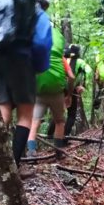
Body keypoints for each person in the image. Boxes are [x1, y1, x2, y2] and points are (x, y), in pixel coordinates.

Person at [0, 0, 52, 181]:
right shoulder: (39, 15)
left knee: (4, 107)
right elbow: (42, 44)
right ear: (43, 3)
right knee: (25, 114)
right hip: (23, 62)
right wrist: (40, 67)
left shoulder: (10, 8)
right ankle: (13, 167)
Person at [27, 28, 74, 157]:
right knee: (59, 121)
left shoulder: (36, 56)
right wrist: (69, 94)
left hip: (39, 93)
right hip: (56, 93)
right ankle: (58, 151)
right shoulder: (60, 58)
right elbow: (71, 77)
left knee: (35, 121)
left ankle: (31, 151)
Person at [46, 44, 87, 139]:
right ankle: (65, 136)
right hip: (71, 89)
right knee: (71, 114)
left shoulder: (61, 59)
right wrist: (82, 86)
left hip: (57, 88)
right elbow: (83, 74)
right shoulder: (80, 62)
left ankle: (49, 134)